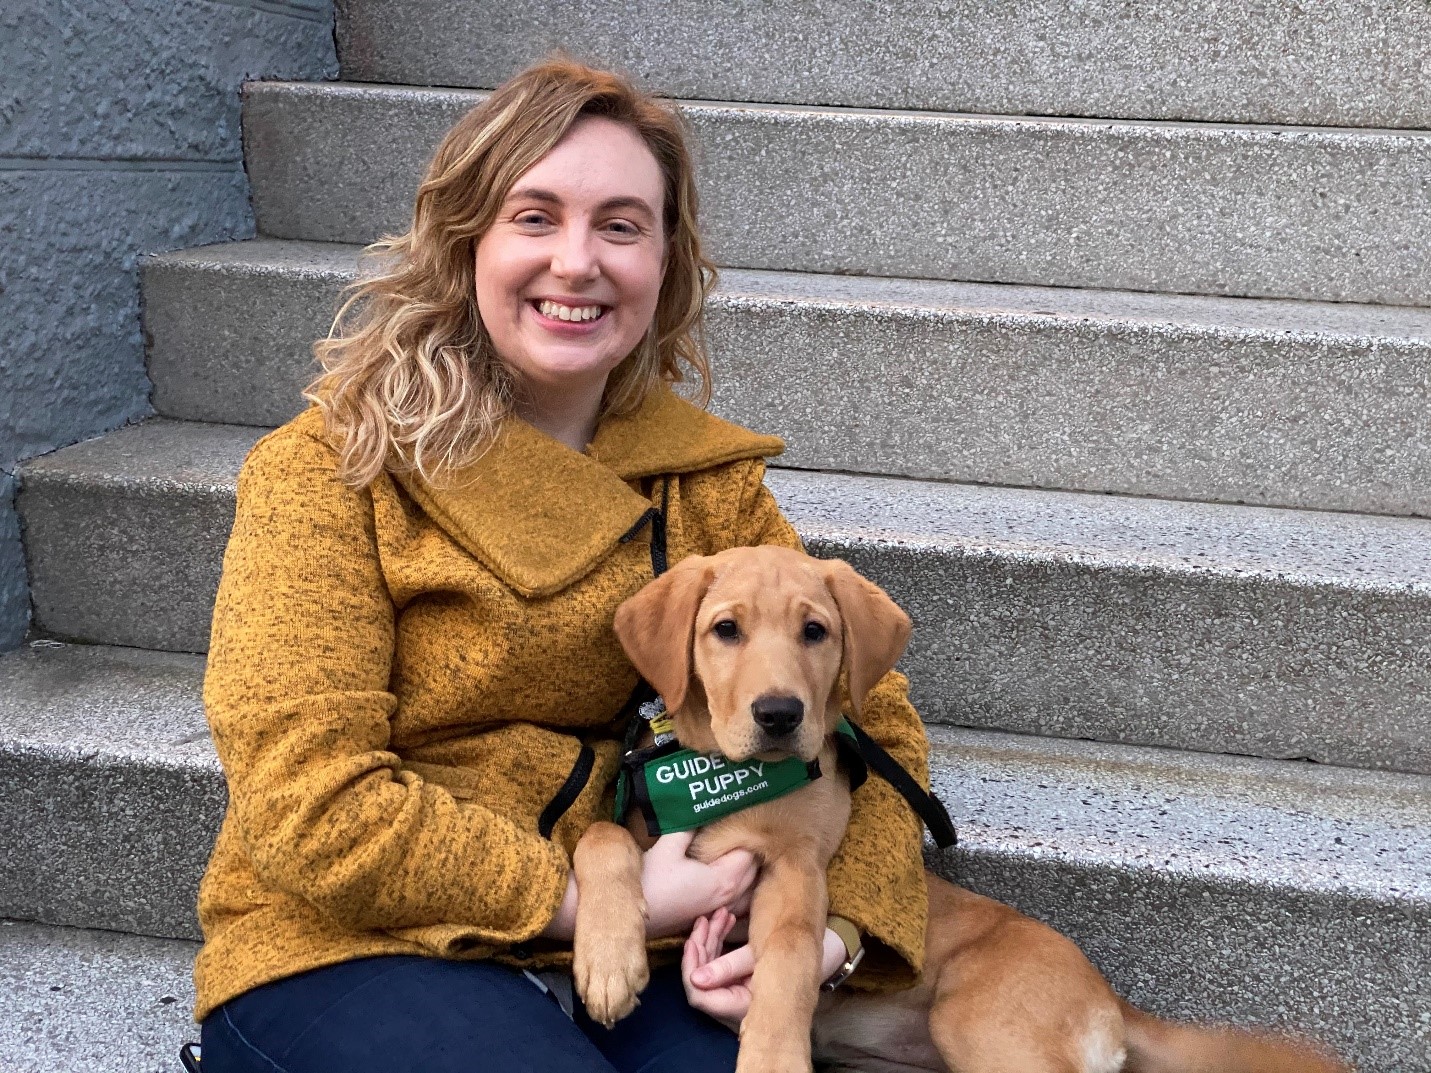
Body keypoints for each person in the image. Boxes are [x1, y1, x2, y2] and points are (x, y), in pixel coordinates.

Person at [192, 58, 931, 1073]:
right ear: (466, 244)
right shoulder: (332, 469)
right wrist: (583, 895)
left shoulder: (702, 481)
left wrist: (829, 936)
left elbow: (872, 727)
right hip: (355, 939)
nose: (576, 261)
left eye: (621, 225)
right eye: (534, 217)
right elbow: (305, 800)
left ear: (665, 261)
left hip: (646, 939)